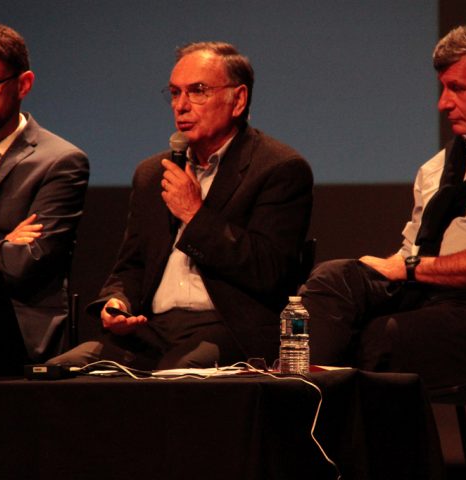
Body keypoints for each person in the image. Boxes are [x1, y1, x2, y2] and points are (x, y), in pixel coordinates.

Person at [300, 17, 466, 389]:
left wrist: (409, 268)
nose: (442, 104)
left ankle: (319, 434)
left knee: (380, 338)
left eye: (456, 88)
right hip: (430, 297)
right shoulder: (438, 168)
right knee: (334, 280)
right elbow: (411, 248)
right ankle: (300, 415)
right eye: (442, 88)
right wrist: (394, 269)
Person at [50, 41, 313, 370]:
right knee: (55, 375)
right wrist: (118, 301)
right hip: (153, 331)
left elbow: (270, 271)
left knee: (170, 382)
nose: (181, 106)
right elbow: (131, 266)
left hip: (226, 329)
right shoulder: (152, 173)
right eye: (175, 93)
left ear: (239, 99)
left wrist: (195, 214)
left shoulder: (278, 168)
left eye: (198, 91)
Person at [0, 23, 89, 362]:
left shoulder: (61, 161)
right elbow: (9, 257)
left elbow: (26, 265)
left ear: (23, 84)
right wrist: (3, 248)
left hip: (24, 343)